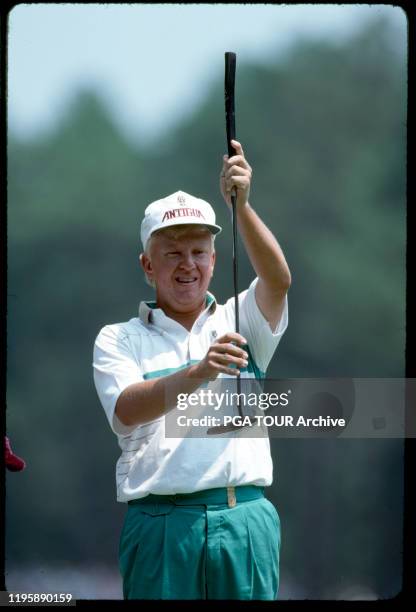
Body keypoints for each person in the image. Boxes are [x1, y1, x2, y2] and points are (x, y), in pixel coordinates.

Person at [93, 140, 291, 600]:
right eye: (172, 252)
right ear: (147, 266)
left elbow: (278, 279)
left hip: (243, 518)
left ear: (215, 260)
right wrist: (200, 370)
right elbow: (126, 410)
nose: (188, 265)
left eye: (199, 251)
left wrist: (241, 208)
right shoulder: (118, 338)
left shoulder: (241, 318)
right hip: (160, 524)